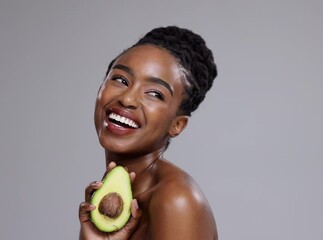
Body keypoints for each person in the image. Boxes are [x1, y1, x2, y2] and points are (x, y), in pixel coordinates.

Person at [78, 26, 218, 240]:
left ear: (177, 125)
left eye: (155, 94)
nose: (127, 99)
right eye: (121, 80)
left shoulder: (175, 201)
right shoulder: (109, 200)